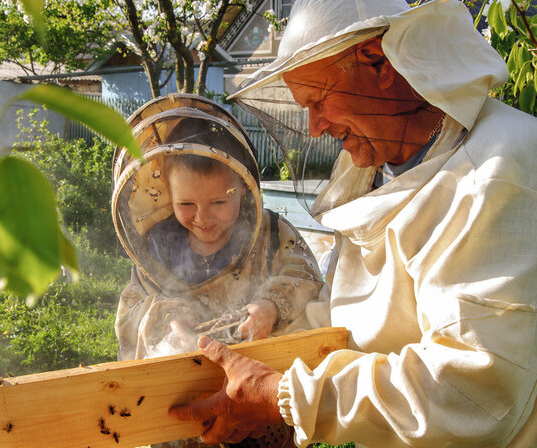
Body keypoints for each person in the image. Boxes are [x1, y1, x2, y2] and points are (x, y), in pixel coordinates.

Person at [168, 1, 537, 447]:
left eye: (319, 101)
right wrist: (257, 341)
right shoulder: (373, 168)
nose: (316, 127)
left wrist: (281, 395)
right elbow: (347, 315)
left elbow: (470, 391)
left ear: (380, 62)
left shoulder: (498, 170)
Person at [111, 94, 323, 447]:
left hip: (260, 403)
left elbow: (307, 278)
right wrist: (164, 317)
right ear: (167, 195)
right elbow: (130, 313)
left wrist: (270, 306)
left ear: (243, 188)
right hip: (185, 408)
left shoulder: (272, 234)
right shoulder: (157, 251)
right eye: (186, 204)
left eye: (219, 202)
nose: (203, 217)